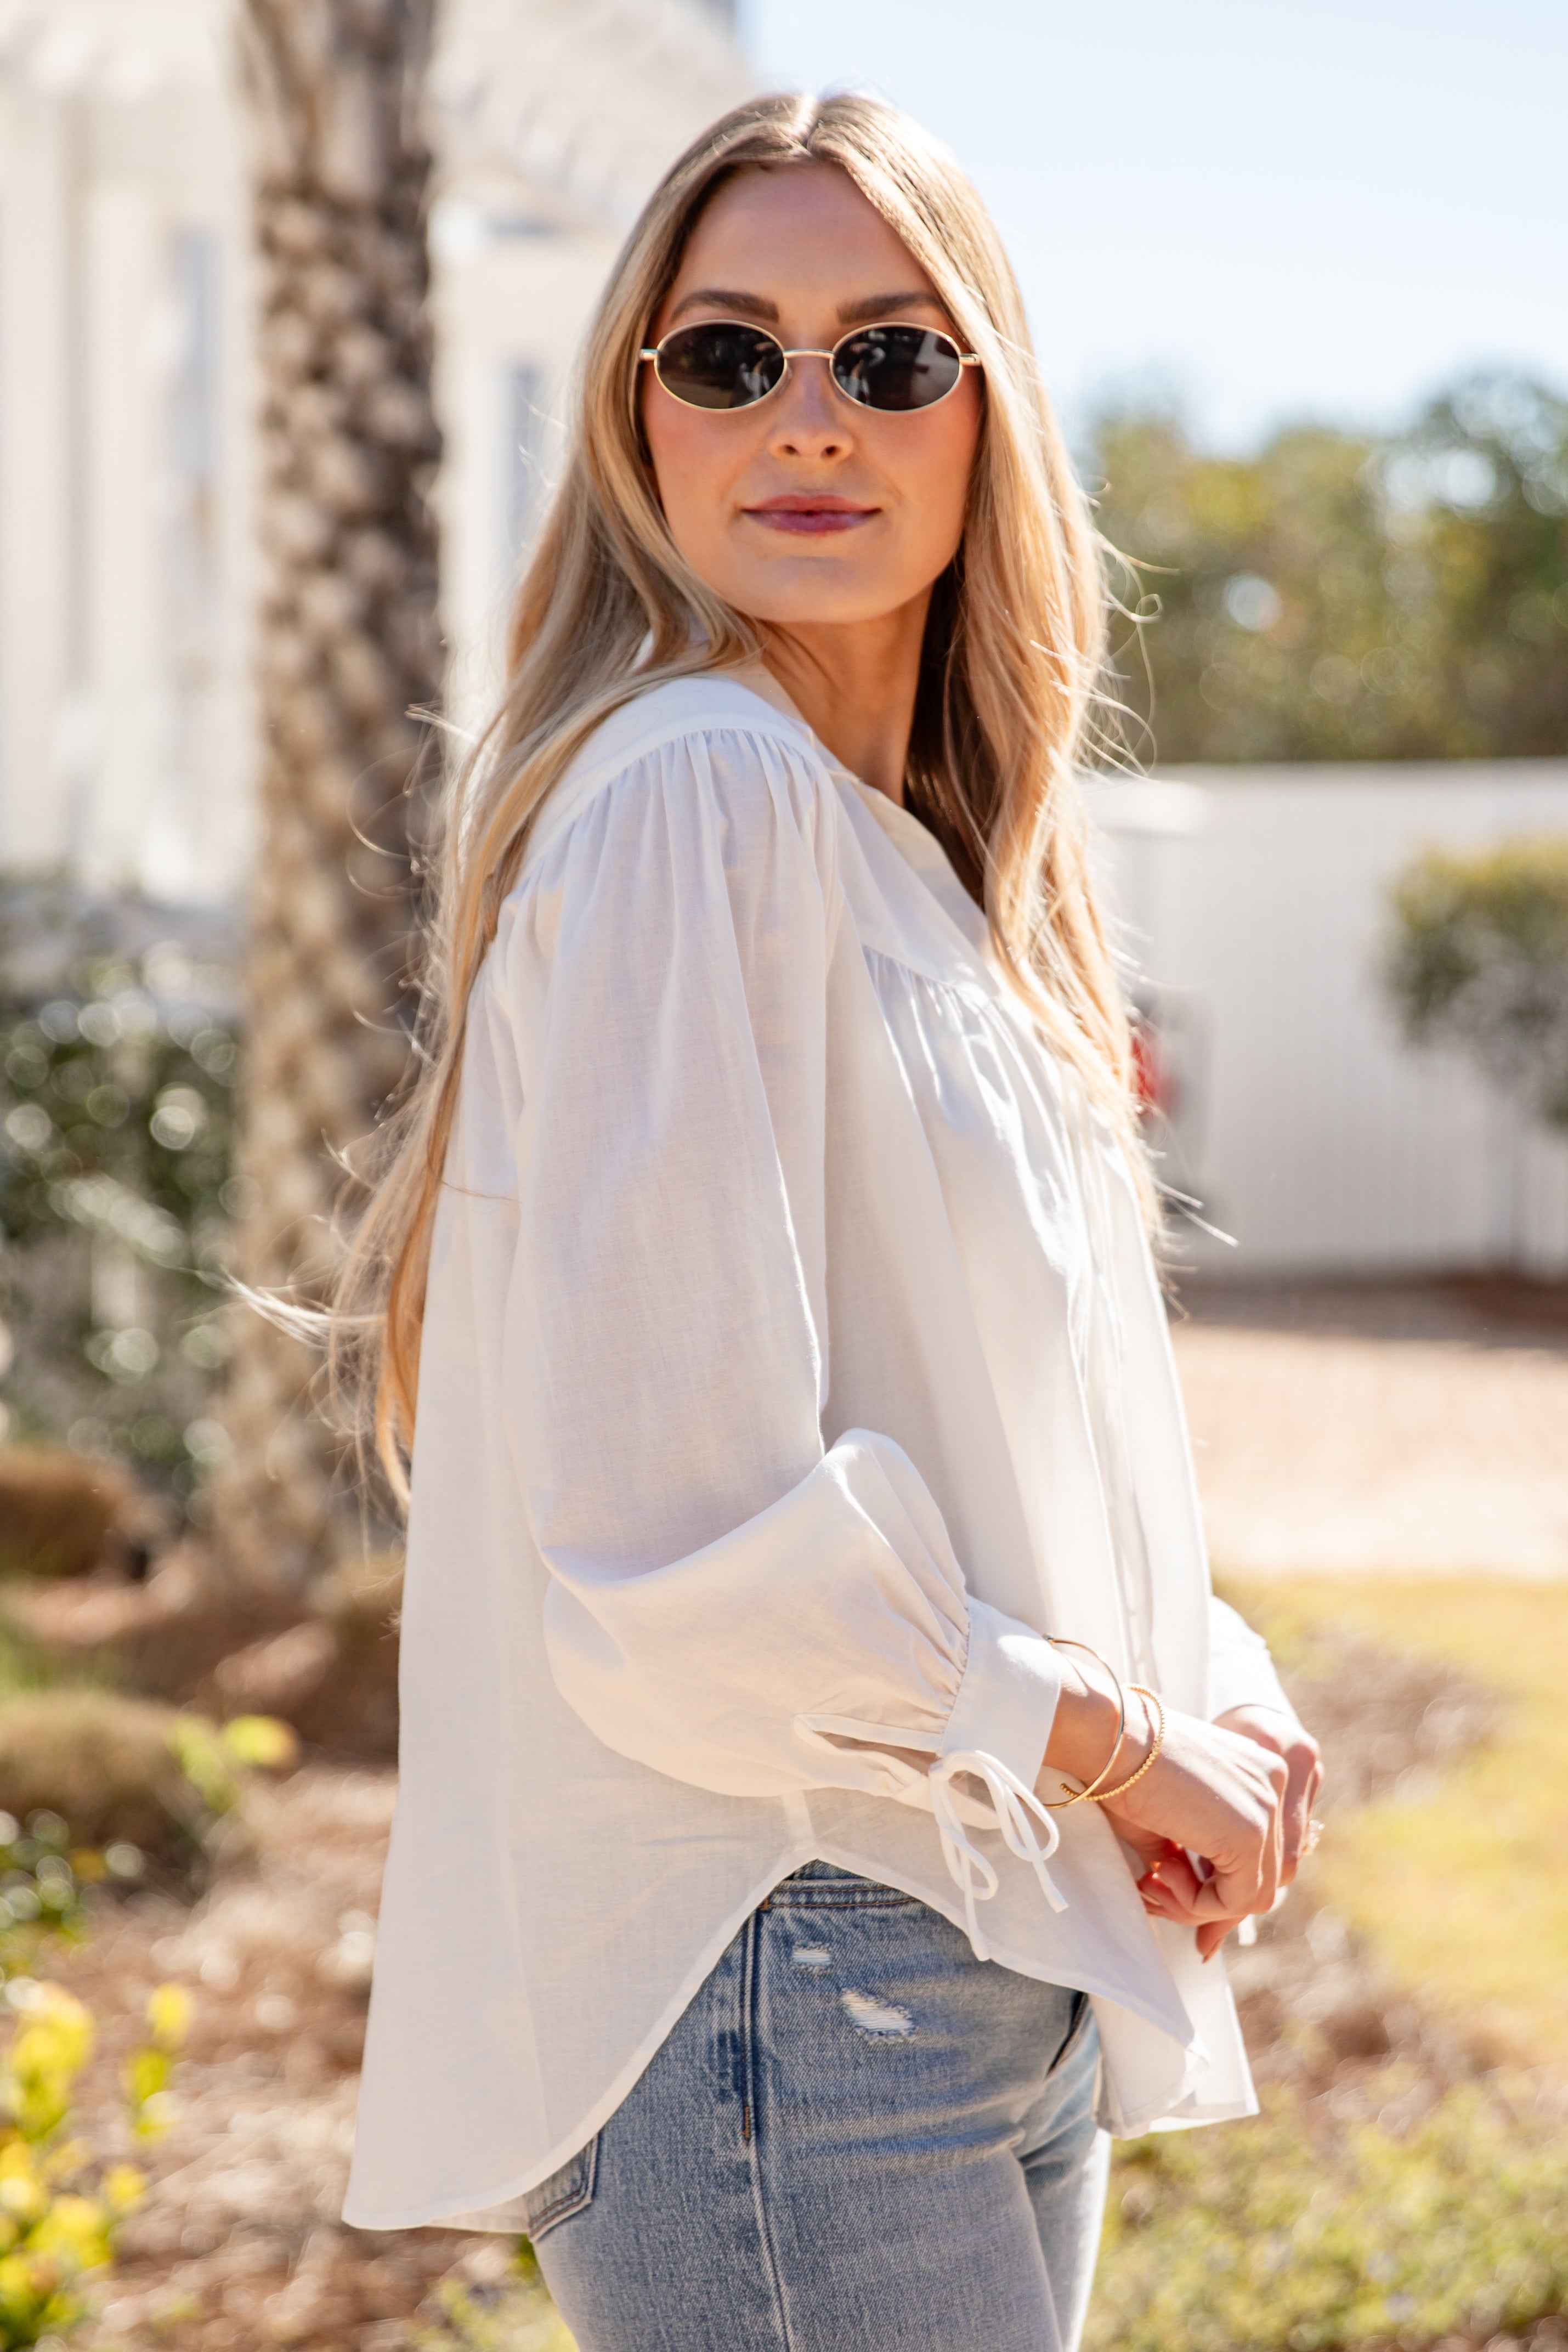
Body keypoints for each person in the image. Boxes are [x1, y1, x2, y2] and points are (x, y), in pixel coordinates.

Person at [335, 91, 1323, 2352]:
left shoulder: (920, 871)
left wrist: (1215, 1713)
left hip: (953, 1940)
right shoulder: (694, 793)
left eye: (887, 357)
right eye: (727, 355)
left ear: (987, 413)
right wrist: (1105, 1734)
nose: (806, 417)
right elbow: (674, 1538)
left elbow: (999, 1427)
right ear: (638, 413)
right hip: (790, 1960)